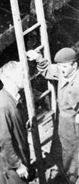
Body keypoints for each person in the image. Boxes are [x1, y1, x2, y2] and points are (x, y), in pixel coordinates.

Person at [28, 46, 79, 183]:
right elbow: (49, 70)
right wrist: (38, 58)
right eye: (60, 66)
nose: (61, 70)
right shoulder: (64, 71)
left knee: (72, 156)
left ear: (75, 65)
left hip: (74, 128)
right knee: (61, 150)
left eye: (65, 67)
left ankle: (71, 179)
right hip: (62, 123)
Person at [0, 60, 31, 183]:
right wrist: (17, 165)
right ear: (11, 78)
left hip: (16, 150)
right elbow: (3, 141)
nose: (26, 77)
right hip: (10, 159)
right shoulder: (2, 106)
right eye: (22, 75)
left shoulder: (13, 96)